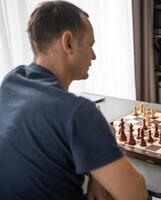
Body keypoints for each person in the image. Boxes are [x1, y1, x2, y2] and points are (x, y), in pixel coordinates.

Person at [0, 1, 147, 200]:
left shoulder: (11, 80)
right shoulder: (78, 112)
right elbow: (135, 194)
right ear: (68, 42)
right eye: (90, 45)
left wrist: (97, 174)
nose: (93, 56)